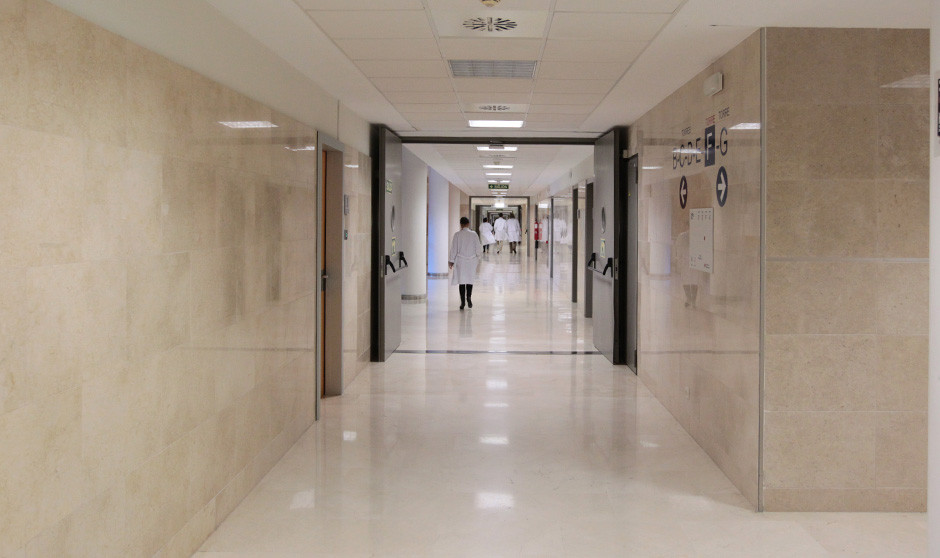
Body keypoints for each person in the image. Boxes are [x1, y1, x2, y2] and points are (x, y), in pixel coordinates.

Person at [448, 216, 483, 310]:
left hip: (461, 261)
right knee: (470, 280)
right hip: (472, 260)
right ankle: (469, 298)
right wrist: (478, 257)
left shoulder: (457, 235)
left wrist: (451, 261)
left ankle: (462, 302)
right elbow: (478, 247)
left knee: (462, 281)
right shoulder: (474, 234)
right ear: (468, 224)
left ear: (461, 224)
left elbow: (454, 249)